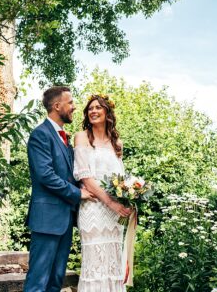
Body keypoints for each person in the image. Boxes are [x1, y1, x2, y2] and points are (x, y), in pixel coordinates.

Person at [23, 86, 96, 292]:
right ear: (57, 106)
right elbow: (45, 175)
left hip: (64, 220)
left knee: (55, 280)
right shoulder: (40, 135)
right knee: (38, 281)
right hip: (47, 219)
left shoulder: (64, 137)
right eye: (70, 102)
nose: (74, 107)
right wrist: (77, 193)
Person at [73, 94, 133, 292]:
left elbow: (120, 179)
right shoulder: (82, 137)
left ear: (108, 112)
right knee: (95, 265)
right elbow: (85, 176)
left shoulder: (118, 144)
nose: (93, 111)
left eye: (98, 107)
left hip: (114, 215)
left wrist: (129, 198)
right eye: (90, 108)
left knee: (113, 264)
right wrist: (111, 203)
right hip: (93, 209)